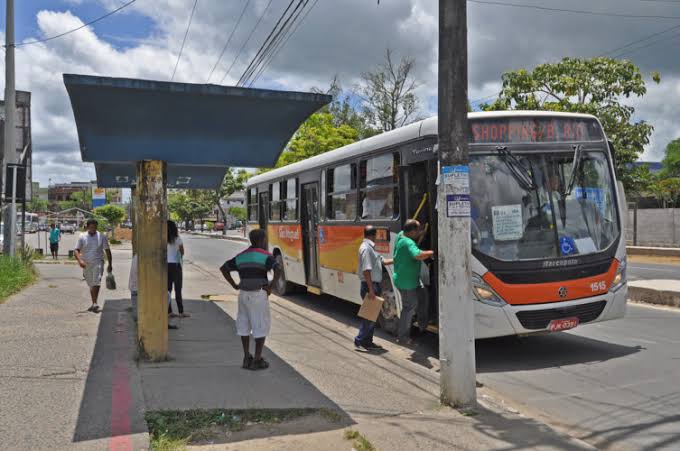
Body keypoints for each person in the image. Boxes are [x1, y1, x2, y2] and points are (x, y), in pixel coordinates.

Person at [220, 229, 281, 371]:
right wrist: (270, 287)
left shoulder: (241, 256)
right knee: (260, 326)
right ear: (262, 240)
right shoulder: (266, 255)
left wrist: (234, 285)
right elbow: (278, 269)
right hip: (258, 294)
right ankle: (257, 360)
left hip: (243, 295)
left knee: (244, 325)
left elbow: (224, 268)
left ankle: (247, 357)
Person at [392, 219, 434, 344]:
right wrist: (432, 252)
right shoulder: (408, 242)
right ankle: (403, 337)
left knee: (423, 294)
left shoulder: (400, 234)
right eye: (418, 230)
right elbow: (417, 255)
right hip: (406, 282)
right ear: (411, 232)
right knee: (409, 307)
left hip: (411, 280)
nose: (420, 232)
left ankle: (422, 324)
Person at [355, 225, 392, 351]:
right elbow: (366, 270)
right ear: (374, 235)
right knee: (369, 316)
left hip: (373, 285)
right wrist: (371, 289)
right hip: (369, 286)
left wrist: (397, 259)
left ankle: (367, 342)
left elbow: (382, 261)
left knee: (372, 316)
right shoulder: (366, 248)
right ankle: (359, 341)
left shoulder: (371, 248)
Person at [74, 219, 112, 313]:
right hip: (86, 264)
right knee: (91, 283)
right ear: (87, 227)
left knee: (97, 281)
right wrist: (80, 261)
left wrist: (110, 264)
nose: (93, 229)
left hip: (98, 262)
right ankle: (93, 303)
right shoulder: (82, 236)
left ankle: (95, 303)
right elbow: (76, 250)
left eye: (95, 227)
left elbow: (107, 250)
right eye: (91, 227)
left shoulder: (101, 236)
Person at [167, 220, 188, 318]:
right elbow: (182, 252)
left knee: (168, 290)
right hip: (176, 265)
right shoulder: (177, 238)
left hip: (166, 266)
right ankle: (181, 311)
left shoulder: (162, 239)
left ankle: (169, 311)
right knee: (178, 289)